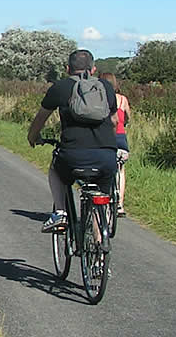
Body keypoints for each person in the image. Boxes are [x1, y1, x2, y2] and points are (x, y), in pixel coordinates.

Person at [27, 50, 118, 233]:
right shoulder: (105, 87)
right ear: (93, 69)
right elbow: (115, 121)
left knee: (55, 169)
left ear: (68, 68)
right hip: (106, 155)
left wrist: (33, 137)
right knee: (100, 195)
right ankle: (100, 249)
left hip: (73, 155)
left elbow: (40, 118)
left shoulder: (60, 87)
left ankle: (60, 212)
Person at [100, 72, 130, 216]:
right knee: (121, 171)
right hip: (121, 139)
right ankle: (120, 205)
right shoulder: (123, 100)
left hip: (106, 139)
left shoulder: (100, 99)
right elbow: (128, 117)